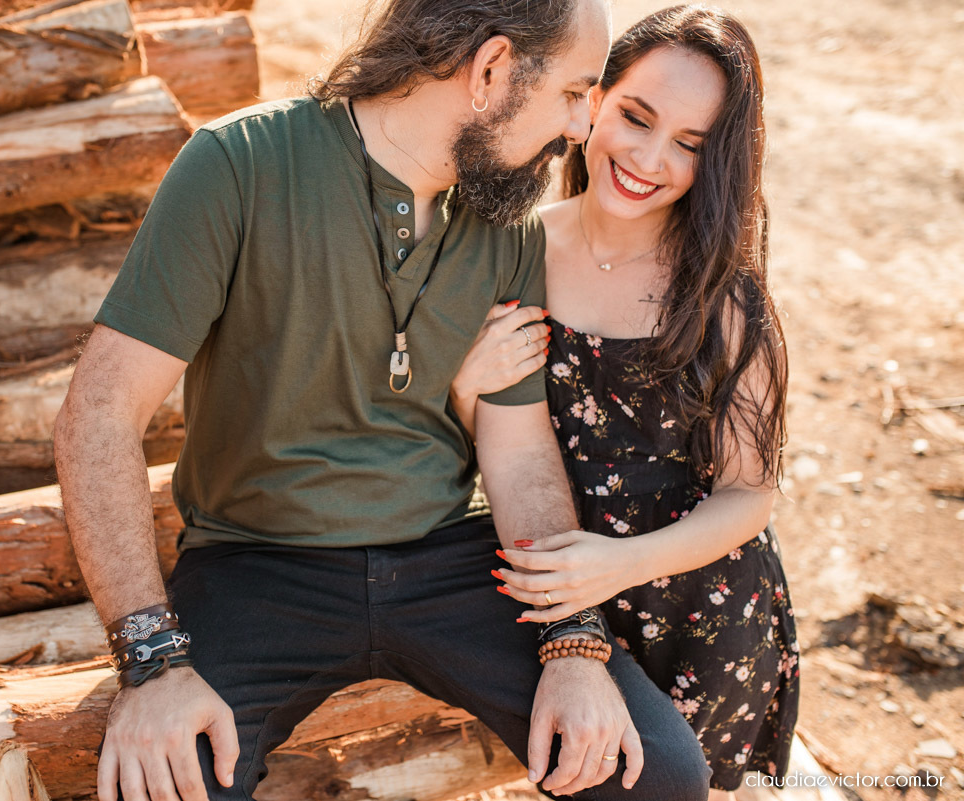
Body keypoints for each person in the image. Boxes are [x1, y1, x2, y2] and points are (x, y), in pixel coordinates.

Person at [53, 0, 715, 799]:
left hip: (451, 555)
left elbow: (516, 451)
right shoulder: (240, 164)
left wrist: (572, 642)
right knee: (166, 781)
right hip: (253, 562)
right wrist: (152, 659)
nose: (581, 126)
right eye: (574, 92)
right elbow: (100, 412)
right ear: (491, 70)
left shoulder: (508, 221)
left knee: (657, 771)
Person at [450, 6, 800, 799]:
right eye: (636, 117)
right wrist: (464, 389)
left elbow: (749, 494)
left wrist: (624, 562)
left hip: (700, 608)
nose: (648, 158)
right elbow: (501, 446)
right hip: (558, 589)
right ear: (593, 100)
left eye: (689, 144)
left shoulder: (722, 296)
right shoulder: (512, 250)